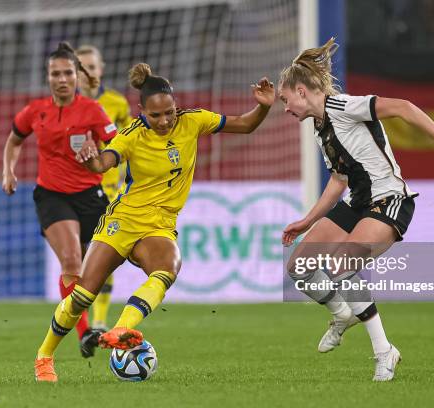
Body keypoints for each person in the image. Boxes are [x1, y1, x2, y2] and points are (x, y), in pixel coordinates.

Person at [33, 62, 275, 382]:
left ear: (176, 107)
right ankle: (44, 357)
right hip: (123, 220)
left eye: (169, 113)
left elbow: (244, 125)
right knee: (82, 296)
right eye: (155, 115)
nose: (163, 121)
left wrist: (262, 107)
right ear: (141, 111)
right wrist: (92, 160)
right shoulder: (131, 135)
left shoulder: (193, 121)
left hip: (159, 225)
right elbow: (106, 161)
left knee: (168, 268)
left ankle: (121, 329)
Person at [278, 38, 434, 381]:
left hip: (390, 201)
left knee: (341, 266)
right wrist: (307, 221)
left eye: (285, 99)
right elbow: (339, 180)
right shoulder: (321, 129)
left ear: (302, 91)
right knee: (299, 266)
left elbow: (404, 107)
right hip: (358, 203)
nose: (284, 108)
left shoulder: (344, 106)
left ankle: (385, 352)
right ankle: (342, 314)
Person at [2, 42, 118, 358]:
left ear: (77, 76)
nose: (62, 79)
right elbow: (14, 140)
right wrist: (8, 171)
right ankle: (84, 333)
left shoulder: (93, 111)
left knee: (97, 268)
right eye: (55, 73)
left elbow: (118, 147)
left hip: (91, 195)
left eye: (68, 72)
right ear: (48, 76)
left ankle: (105, 319)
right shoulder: (35, 111)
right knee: (70, 260)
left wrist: (99, 158)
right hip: (52, 195)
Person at [75, 44, 133, 331]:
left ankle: (98, 321)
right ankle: (81, 321)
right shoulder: (62, 106)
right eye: (82, 69)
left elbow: (133, 139)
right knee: (78, 258)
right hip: (73, 190)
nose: (88, 74)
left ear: (102, 69)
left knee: (103, 252)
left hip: (108, 190)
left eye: (92, 67)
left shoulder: (116, 103)